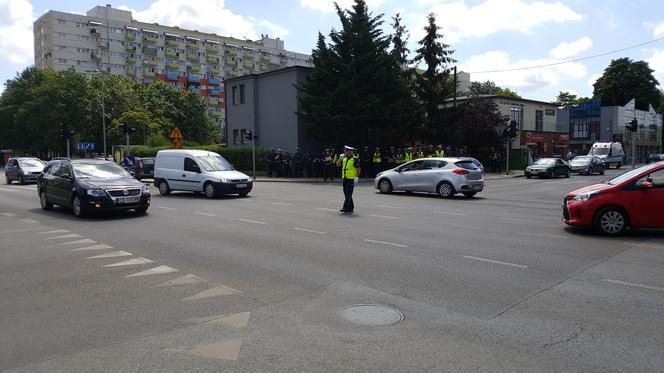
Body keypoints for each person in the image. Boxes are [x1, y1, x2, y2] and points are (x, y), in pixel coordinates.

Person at [336, 145, 361, 213]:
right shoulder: (344, 158)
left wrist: (356, 177)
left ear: (351, 152)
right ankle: (351, 208)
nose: (348, 152)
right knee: (346, 193)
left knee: (348, 194)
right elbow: (337, 164)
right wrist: (340, 159)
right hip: (345, 178)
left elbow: (358, 168)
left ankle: (345, 208)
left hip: (351, 179)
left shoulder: (355, 159)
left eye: (349, 151)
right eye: (346, 151)